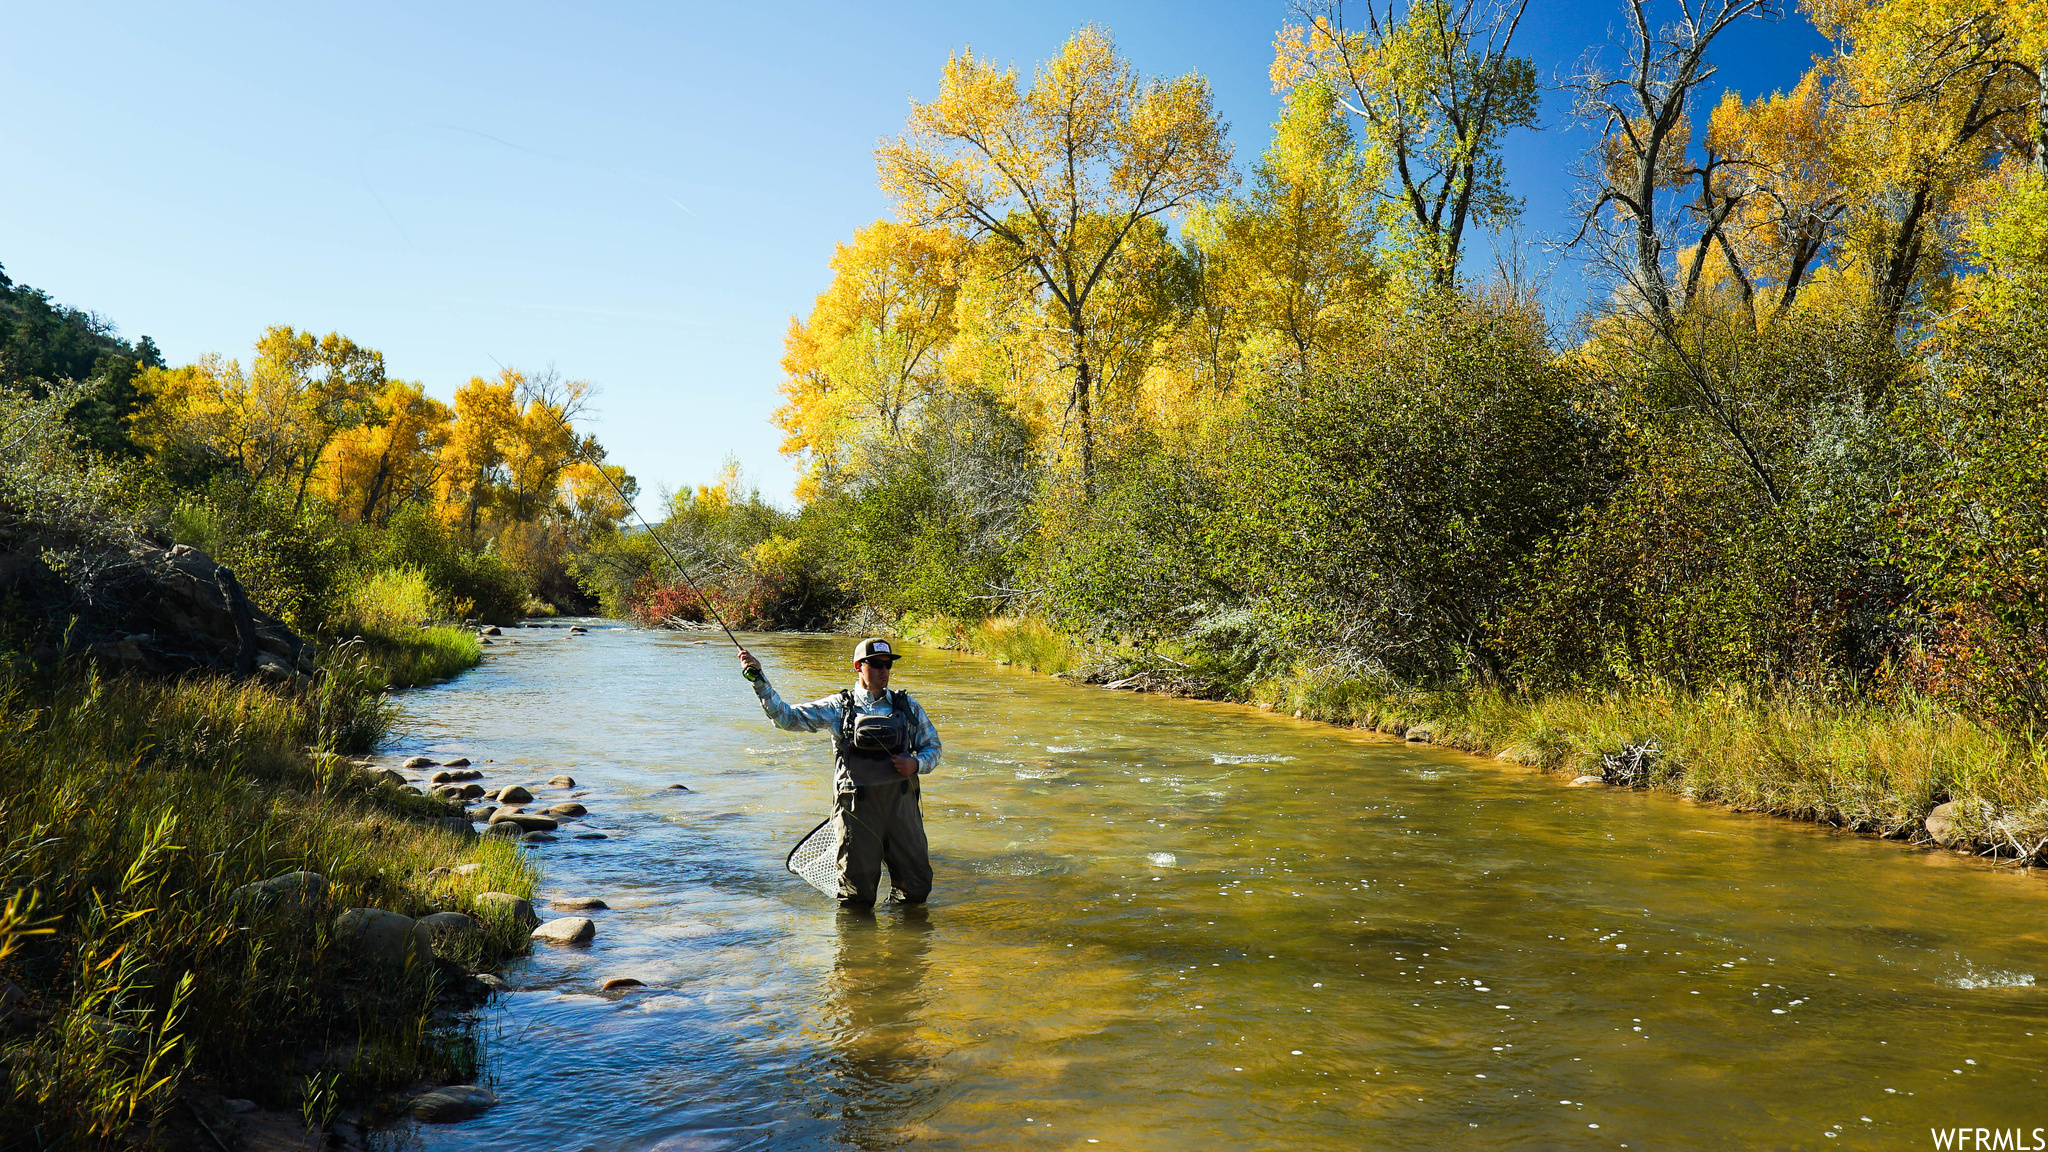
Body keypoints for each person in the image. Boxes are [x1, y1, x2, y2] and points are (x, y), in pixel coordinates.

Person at [738, 638, 942, 908]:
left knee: (916, 890)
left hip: (902, 809)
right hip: (856, 810)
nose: (885, 671)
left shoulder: (908, 707)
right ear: (859, 666)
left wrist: (916, 764)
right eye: (877, 664)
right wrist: (759, 680)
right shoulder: (838, 707)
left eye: (888, 665)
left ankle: (903, 943)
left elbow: (933, 748)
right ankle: (857, 948)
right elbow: (786, 718)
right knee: (857, 897)